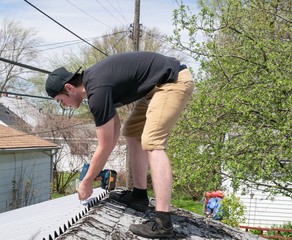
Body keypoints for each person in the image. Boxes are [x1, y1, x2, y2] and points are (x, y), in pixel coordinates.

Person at [45, 51, 194, 239]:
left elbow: (104, 146)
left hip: (172, 82)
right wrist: (93, 172)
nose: (64, 105)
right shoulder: (95, 85)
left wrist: (87, 182)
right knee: (132, 132)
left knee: (152, 142)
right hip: (155, 88)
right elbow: (112, 135)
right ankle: (139, 197)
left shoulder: (97, 93)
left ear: (69, 88)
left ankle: (163, 222)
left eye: (61, 101)